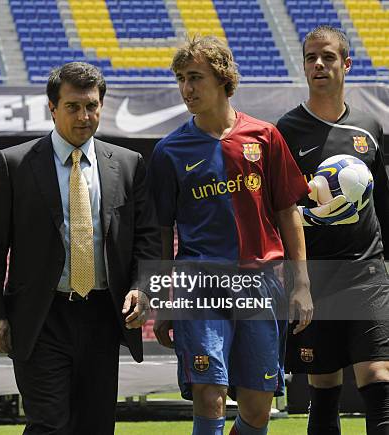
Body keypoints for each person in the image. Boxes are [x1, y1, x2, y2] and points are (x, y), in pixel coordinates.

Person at [0, 61, 161, 434]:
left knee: (95, 425)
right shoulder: (13, 164)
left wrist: (143, 288)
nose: (84, 116)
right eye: (73, 107)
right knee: (49, 423)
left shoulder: (128, 164)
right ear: (52, 108)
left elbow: (148, 238)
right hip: (41, 318)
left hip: (103, 317)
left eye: (92, 106)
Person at [149, 36, 313, 435]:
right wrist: (163, 299)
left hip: (260, 284)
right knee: (210, 394)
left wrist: (303, 284)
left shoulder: (265, 137)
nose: (187, 89)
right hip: (200, 285)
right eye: (181, 79)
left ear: (224, 79)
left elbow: (288, 211)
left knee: (257, 407)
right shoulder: (169, 151)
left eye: (195, 78)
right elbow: (160, 230)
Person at [277, 25, 389, 435]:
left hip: (367, 273)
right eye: (311, 58)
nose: (318, 64)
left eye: (327, 56)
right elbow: (279, 209)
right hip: (314, 277)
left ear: (347, 64)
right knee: (323, 387)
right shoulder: (285, 132)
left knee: (379, 377)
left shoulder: (369, 128)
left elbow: (381, 204)